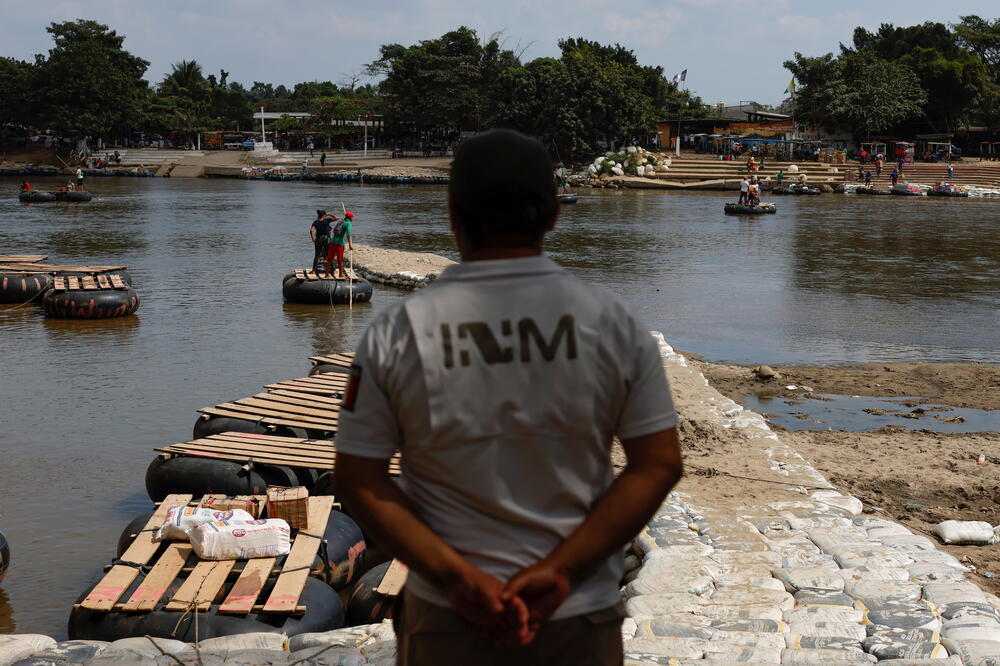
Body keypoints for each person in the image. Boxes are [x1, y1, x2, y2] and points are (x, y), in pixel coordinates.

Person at [335, 128, 682, 665]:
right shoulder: (612, 325)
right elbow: (657, 465)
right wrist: (561, 571)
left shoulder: (400, 331)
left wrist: (457, 577)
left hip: (448, 620)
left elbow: (359, 479)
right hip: (576, 618)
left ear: (452, 213)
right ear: (552, 216)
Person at [326, 210, 353, 279]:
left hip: (332, 242)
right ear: (349, 218)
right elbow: (349, 234)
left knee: (329, 259)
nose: (352, 218)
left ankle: (326, 274)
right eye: (352, 217)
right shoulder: (348, 223)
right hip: (340, 243)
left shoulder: (340, 221)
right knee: (340, 260)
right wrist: (350, 244)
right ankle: (340, 274)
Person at [310, 209, 334, 273]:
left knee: (317, 255)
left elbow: (311, 230)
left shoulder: (315, 222)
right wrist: (329, 214)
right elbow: (336, 218)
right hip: (326, 239)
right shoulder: (327, 220)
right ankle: (332, 270)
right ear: (324, 215)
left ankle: (313, 270)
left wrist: (313, 238)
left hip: (318, 239)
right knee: (329, 254)